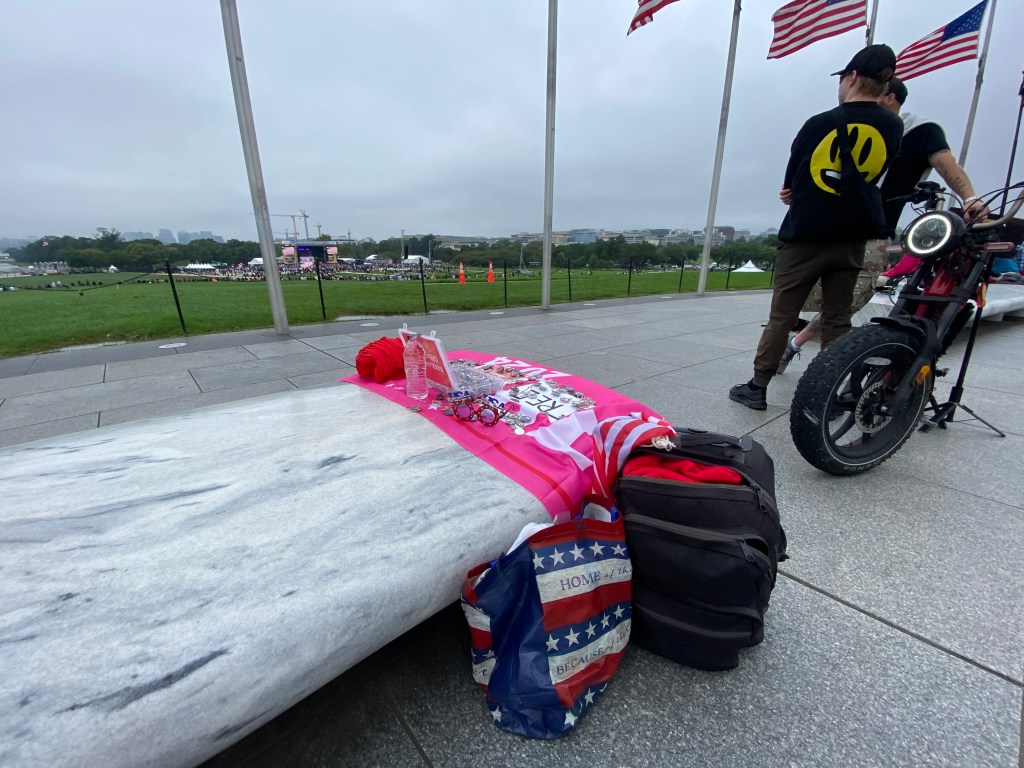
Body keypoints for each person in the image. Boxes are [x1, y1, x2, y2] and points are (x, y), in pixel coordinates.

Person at [729, 44, 904, 410]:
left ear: (852, 77)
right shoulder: (892, 126)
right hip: (852, 237)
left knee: (783, 316)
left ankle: (758, 386)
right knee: (838, 318)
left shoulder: (820, 123)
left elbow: (792, 182)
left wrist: (793, 191)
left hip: (806, 235)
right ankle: (831, 390)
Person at [776, 76, 989, 373]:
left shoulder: (918, 129)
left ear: (889, 97)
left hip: (874, 231)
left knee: (847, 305)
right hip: (830, 230)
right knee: (824, 305)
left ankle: (815, 363)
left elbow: (946, 163)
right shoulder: (852, 125)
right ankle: (807, 356)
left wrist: (970, 199)